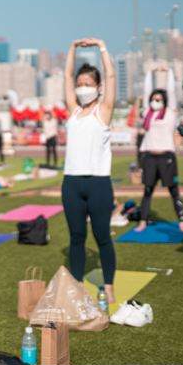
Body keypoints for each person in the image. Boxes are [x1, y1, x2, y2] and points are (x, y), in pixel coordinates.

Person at [62, 38, 117, 304]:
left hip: (98, 184)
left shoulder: (103, 111)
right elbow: (66, 74)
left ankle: (109, 285)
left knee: (102, 237)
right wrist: (73, 47)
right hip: (71, 184)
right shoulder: (73, 111)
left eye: (88, 85)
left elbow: (111, 73)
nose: (83, 89)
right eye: (79, 85)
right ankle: (77, 285)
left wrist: (101, 47)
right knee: (76, 238)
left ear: (98, 88)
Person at [135, 66, 183, 233]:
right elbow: (147, 90)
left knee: (174, 191)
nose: (155, 102)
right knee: (147, 191)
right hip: (150, 157)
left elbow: (171, 92)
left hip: (167, 157)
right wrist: (150, 72)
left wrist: (170, 72)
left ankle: (181, 222)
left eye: (159, 100)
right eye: (153, 99)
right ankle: (142, 222)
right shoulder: (147, 113)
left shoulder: (171, 114)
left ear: (164, 102)